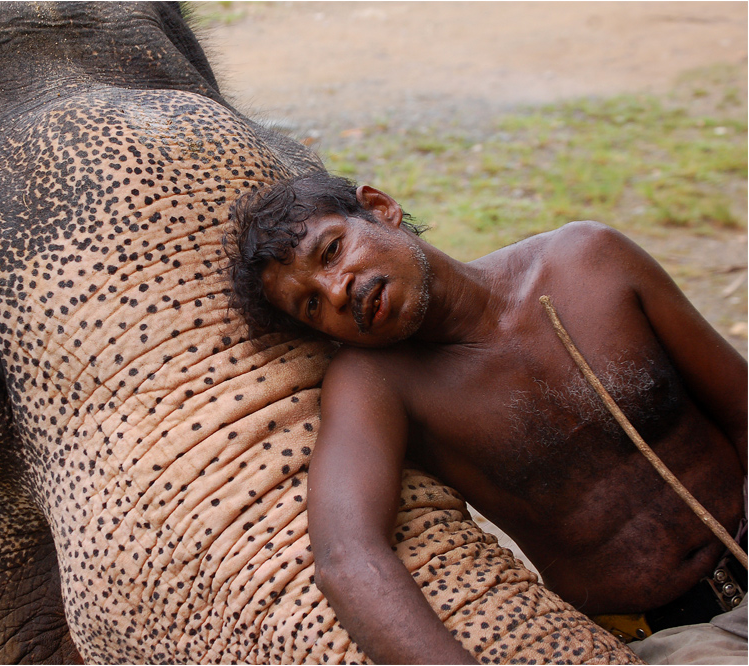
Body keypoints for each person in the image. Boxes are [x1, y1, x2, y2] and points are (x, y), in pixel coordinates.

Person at [223, 172, 747, 664]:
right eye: (311, 305)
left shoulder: (587, 260)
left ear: (380, 208)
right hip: (668, 641)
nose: (337, 290)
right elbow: (347, 554)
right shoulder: (376, 386)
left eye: (332, 251)